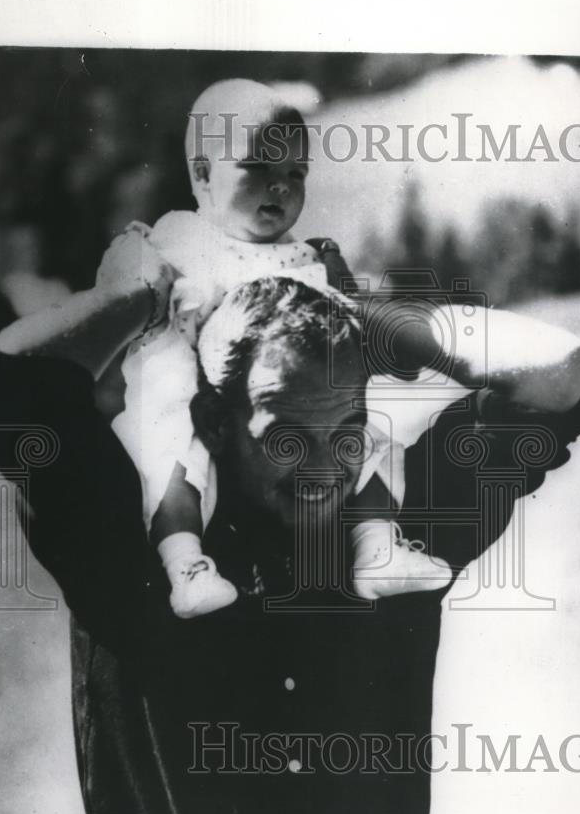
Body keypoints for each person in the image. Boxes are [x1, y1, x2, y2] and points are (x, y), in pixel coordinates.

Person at [0, 228, 580, 814]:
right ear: (213, 422)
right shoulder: (135, 553)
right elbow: (8, 383)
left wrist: (365, 318)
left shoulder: (398, 543)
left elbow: (560, 373)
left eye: (346, 434)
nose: (324, 471)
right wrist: (145, 296)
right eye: (285, 437)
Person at [111, 78, 451, 619]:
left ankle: (376, 546)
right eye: (259, 168)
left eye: (295, 174)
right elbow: (140, 301)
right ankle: (186, 562)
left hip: (285, 399)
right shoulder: (176, 238)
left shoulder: (301, 259)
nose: (281, 187)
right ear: (202, 175)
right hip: (189, 375)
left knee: (376, 418)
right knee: (172, 446)